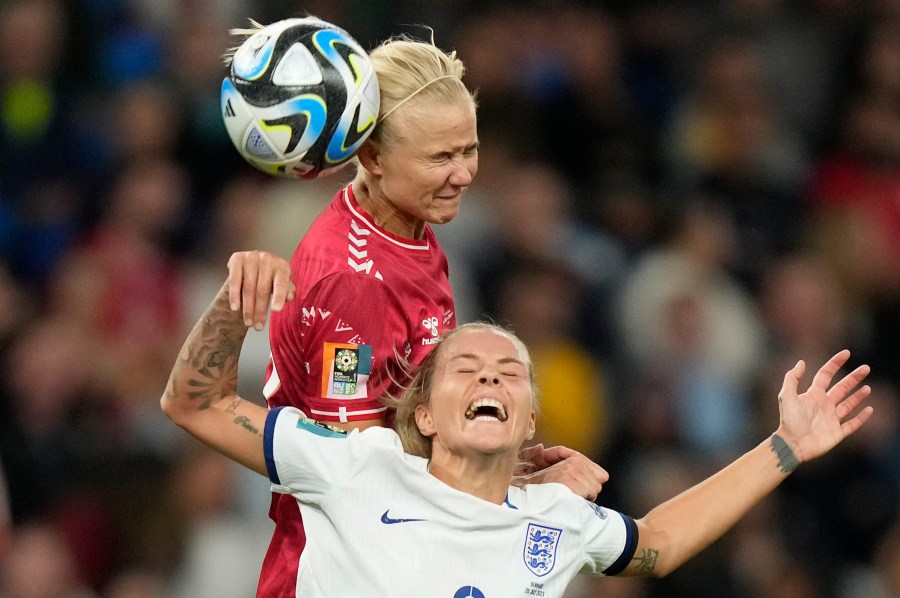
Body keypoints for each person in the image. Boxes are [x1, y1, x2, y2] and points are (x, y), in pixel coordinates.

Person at [161, 264, 873, 597]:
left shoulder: (556, 518)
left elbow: (657, 544)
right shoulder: (356, 465)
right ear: (426, 416)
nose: (491, 379)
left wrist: (784, 447)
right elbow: (194, 404)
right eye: (466, 368)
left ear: (530, 417)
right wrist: (234, 301)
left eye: (510, 372)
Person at [225, 24, 608, 595]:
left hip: (405, 550)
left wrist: (502, 465)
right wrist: (507, 482)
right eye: (441, 157)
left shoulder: (405, 229)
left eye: (470, 149)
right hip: (341, 571)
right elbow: (355, 473)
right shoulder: (354, 284)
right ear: (374, 156)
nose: (465, 174)